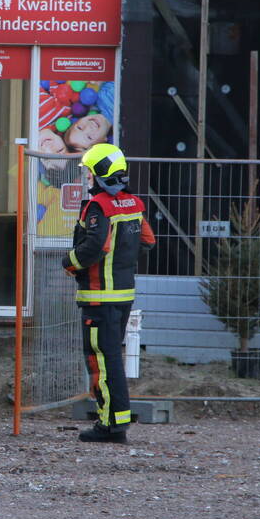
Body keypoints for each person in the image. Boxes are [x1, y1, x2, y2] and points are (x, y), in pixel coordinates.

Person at [62, 144, 155, 443]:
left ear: (99, 174)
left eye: (89, 171)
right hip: (123, 297)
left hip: (99, 298)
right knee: (113, 358)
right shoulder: (133, 204)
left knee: (100, 360)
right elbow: (148, 241)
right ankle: (118, 420)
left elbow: (94, 247)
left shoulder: (98, 206)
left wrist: (69, 263)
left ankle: (110, 425)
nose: (86, 177)